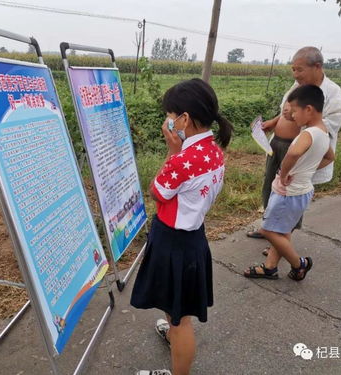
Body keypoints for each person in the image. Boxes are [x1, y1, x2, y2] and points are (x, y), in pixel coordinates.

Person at [131, 78, 233, 375]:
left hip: (173, 240)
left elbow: (158, 192)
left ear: (184, 119)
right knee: (175, 309)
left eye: (170, 114)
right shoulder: (213, 147)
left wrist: (172, 152)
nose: (167, 120)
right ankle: (174, 336)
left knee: (181, 321)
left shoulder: (183, 159)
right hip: (193, 237)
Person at [246, 46, 341, 253]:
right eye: (293, 69)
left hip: (298, 151)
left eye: (299, 70)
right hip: (277, 146)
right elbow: (286, 110)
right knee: (271, 188)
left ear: (317, 67)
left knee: (289, 194)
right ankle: (268, 228)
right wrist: (274, 122)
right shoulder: (296, 85)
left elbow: (330, 124)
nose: (296, 75)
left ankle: (280, 241)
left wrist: (300, 121)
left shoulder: (333, 92)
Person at [243, 85, 335, 281]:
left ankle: (299, 263)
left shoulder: (307, 134)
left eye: (294, 111)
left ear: (308, 110)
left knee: (268, 229)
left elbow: (293, 153)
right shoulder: (322, 132)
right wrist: (307, 169)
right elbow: (329, 156)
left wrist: (284, 173)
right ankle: (270, 268)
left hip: (288, 191)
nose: (292, 116)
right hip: (301, 190)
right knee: (283, 230)